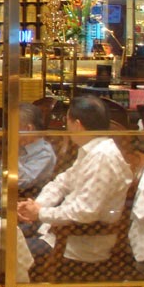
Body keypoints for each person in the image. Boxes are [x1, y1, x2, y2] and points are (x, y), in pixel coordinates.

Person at [17, 95, 133, 266]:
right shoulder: (91, 151)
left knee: (4, 251)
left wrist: (41, 213)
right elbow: (61, 183)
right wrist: (37, 206)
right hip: (55, 231)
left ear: (77, 125)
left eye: (67, 123)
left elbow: (85, 212)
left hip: (76, 245)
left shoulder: (103, 158)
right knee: (4, 235)